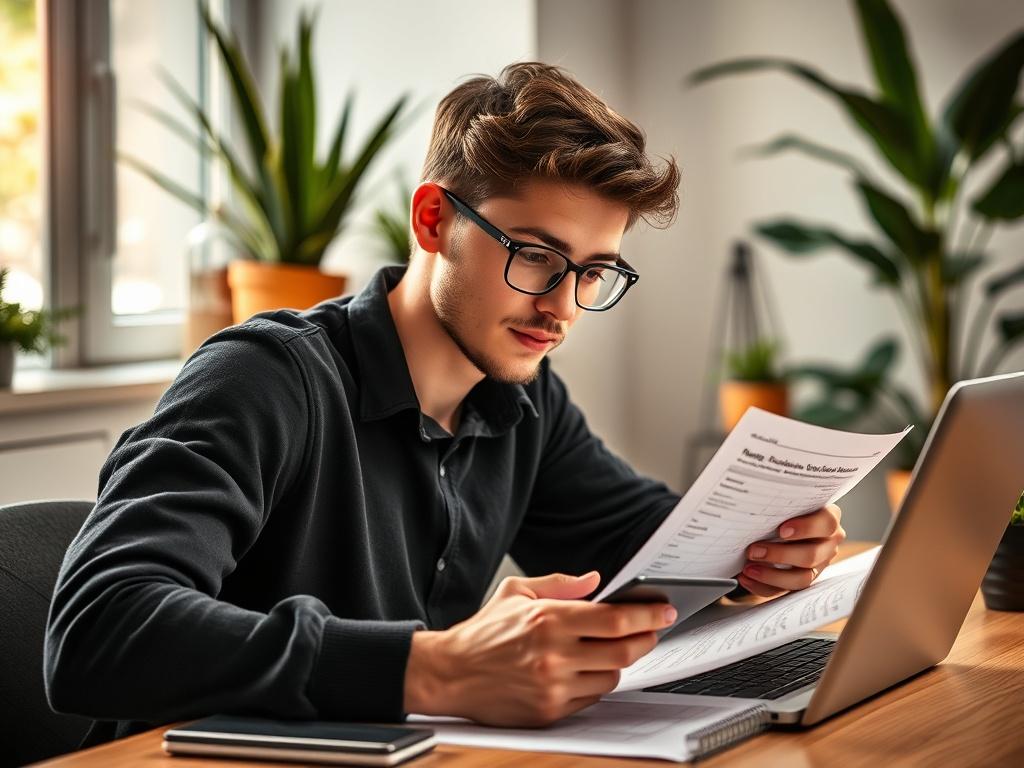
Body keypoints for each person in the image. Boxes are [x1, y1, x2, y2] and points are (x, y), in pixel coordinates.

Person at [45, 62, 844, 742]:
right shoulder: (262, 377)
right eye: (536, 257)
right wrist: (437, 665)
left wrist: (761, 551)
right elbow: (98, 630)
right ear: (434, 220)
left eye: (595, 271)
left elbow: (654, 552)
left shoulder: (522, 402)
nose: (563, 307)